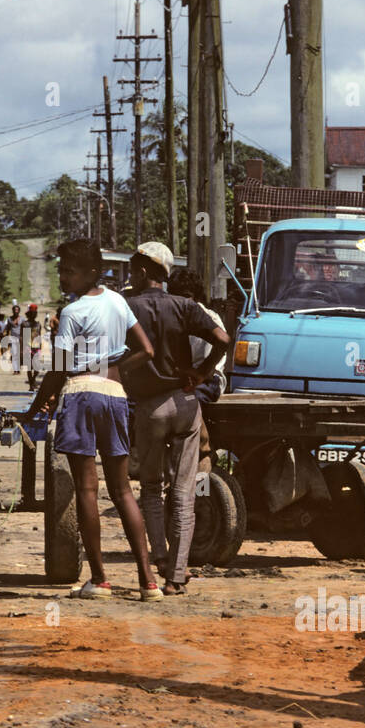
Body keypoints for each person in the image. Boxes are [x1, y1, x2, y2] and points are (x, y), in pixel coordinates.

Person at [22, 239, 160, 601]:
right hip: (115, 396)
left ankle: (99, 580)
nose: (63, 277)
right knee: (123, 490)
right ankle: (149, 582)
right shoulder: (118, 301)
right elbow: (146, 351)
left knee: (87, 489)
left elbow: (60, 369)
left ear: (91, 272)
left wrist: (34, 408)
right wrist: (112, 369)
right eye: (61, 270)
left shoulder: (72, 313)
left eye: (69, 271)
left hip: (81, 395)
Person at [125, 244, 230, 595]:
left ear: (143, 272)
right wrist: (201, 372)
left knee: (152, 488)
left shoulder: (127, 307)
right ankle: (178, 576)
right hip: (185, 403)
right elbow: (223, 339)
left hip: (148, 407)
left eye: (132, 269)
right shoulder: (185, 306)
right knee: (184, 491)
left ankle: (161, 562)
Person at [167, 268, 228, 405]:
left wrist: (199, 374)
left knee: (191, 401)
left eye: (186, 296)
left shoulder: (210, 318)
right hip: (179, 379)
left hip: (207, 380)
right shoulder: (170, 317)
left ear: (196, 296)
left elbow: (219, 350)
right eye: (176, 296)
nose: (182, 301)